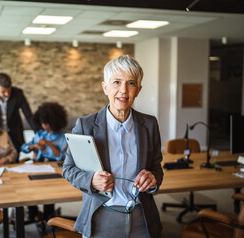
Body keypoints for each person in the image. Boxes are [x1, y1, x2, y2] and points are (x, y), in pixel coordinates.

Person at [63, 55, 163, 238]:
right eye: (116, 82)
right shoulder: (86, 126)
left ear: (138, 90)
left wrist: (153, 178)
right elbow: (68, 169)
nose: (123, 90)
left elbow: (157, 167)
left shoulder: (149, 124)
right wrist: (91, 180)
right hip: (102, 216)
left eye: (131, 83)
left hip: (142, 217)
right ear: (105, 87)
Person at [21, 102, 68, 223]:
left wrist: (48, 144)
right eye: (42, 122)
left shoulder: (62, 137)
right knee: (26, 187)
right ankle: (34, 213)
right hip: (38, 165)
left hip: (53, 166)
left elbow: (60, 156)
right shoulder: (40, 134)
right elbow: (24, 148)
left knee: (50, 190)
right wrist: (34, 146)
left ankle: (49, 215)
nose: (43, 125)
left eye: (46, 123)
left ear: (53, 122)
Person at [0, 72, 35, 157]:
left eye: (9, 90)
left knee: (14, 158)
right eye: (3, 91)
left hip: (14, 133)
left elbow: (29, 116)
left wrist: (39, 134)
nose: (7, 94)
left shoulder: (18, 93)